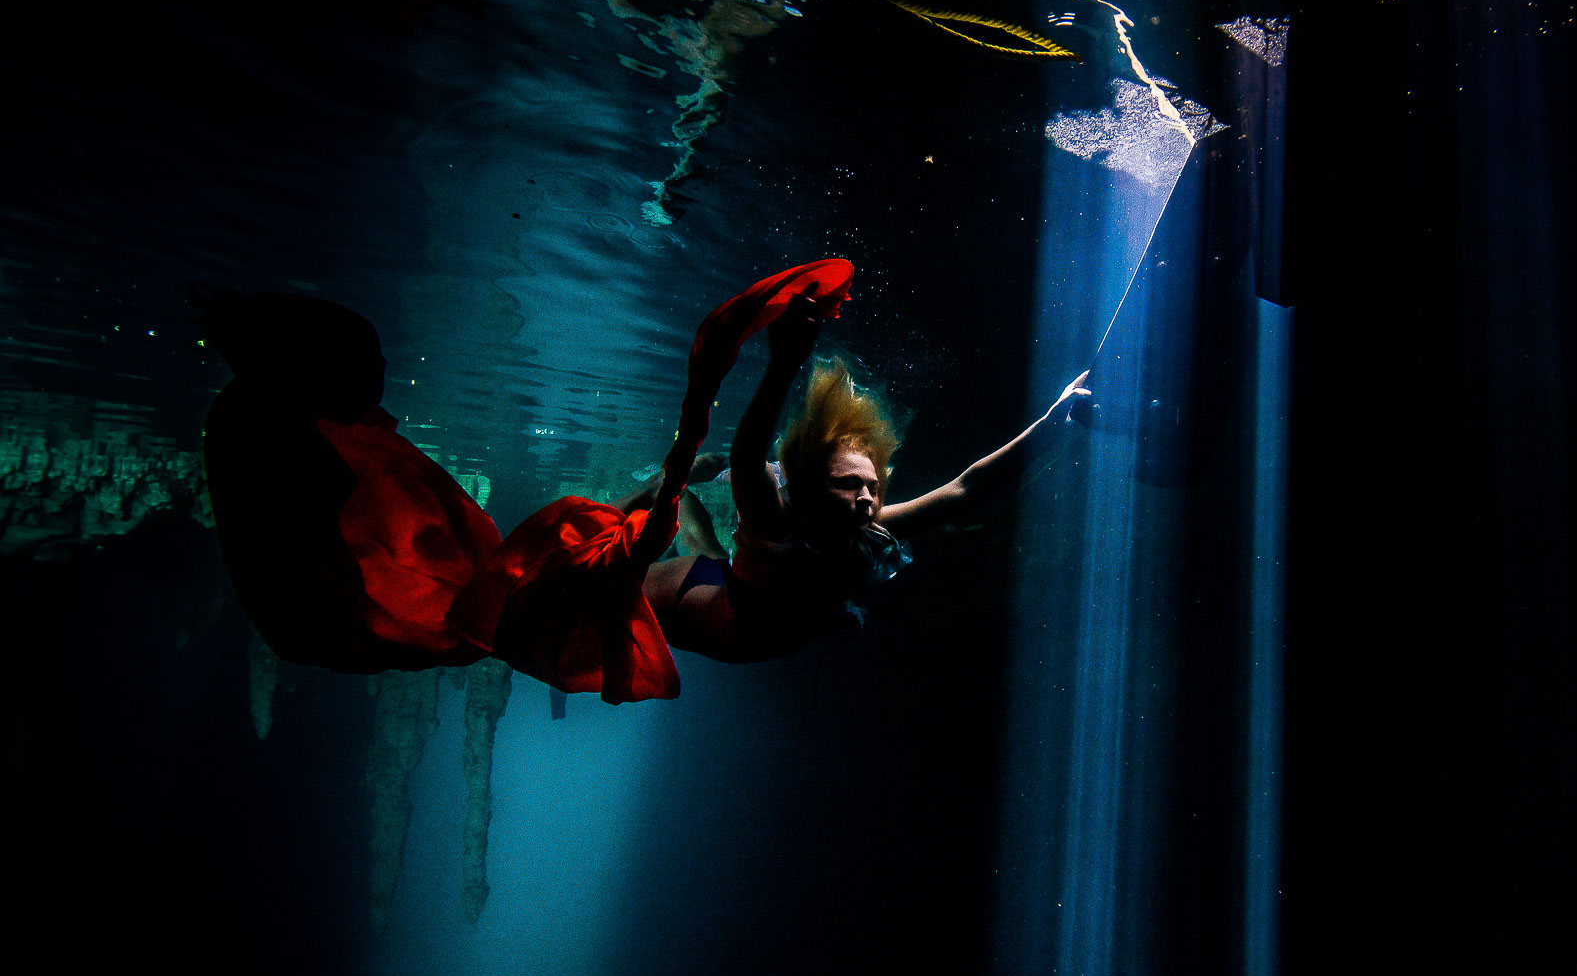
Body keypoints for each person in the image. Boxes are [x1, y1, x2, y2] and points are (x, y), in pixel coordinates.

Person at [197, 261, 1090, 703]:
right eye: (851, 487)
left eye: (871, 487)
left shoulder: (851, 527)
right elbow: (749, 455)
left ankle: (658, 505)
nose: (867, 500)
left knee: (677, 528)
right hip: (686, 598)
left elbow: (969, 489)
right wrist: (782, 359)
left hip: (721, 587)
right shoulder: (781, 516)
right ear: (809, 491)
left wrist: (1059, 420)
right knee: (528, 590)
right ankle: (648, 509)